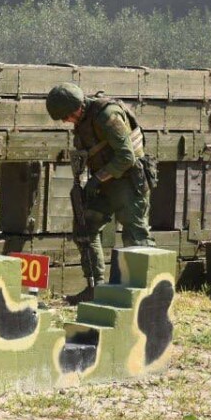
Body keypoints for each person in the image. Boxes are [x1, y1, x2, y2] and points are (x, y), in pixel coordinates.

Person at [45, 82, 156, 304]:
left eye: (66, 116)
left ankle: (145, 297)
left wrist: (96, 179)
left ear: (77, 107)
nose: (66, 121)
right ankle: (94, 288)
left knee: (135, 237)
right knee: (84, 228)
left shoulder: (108, 115)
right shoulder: (83, 120)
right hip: (105, 184)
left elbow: (126, 157)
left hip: (127, 182)